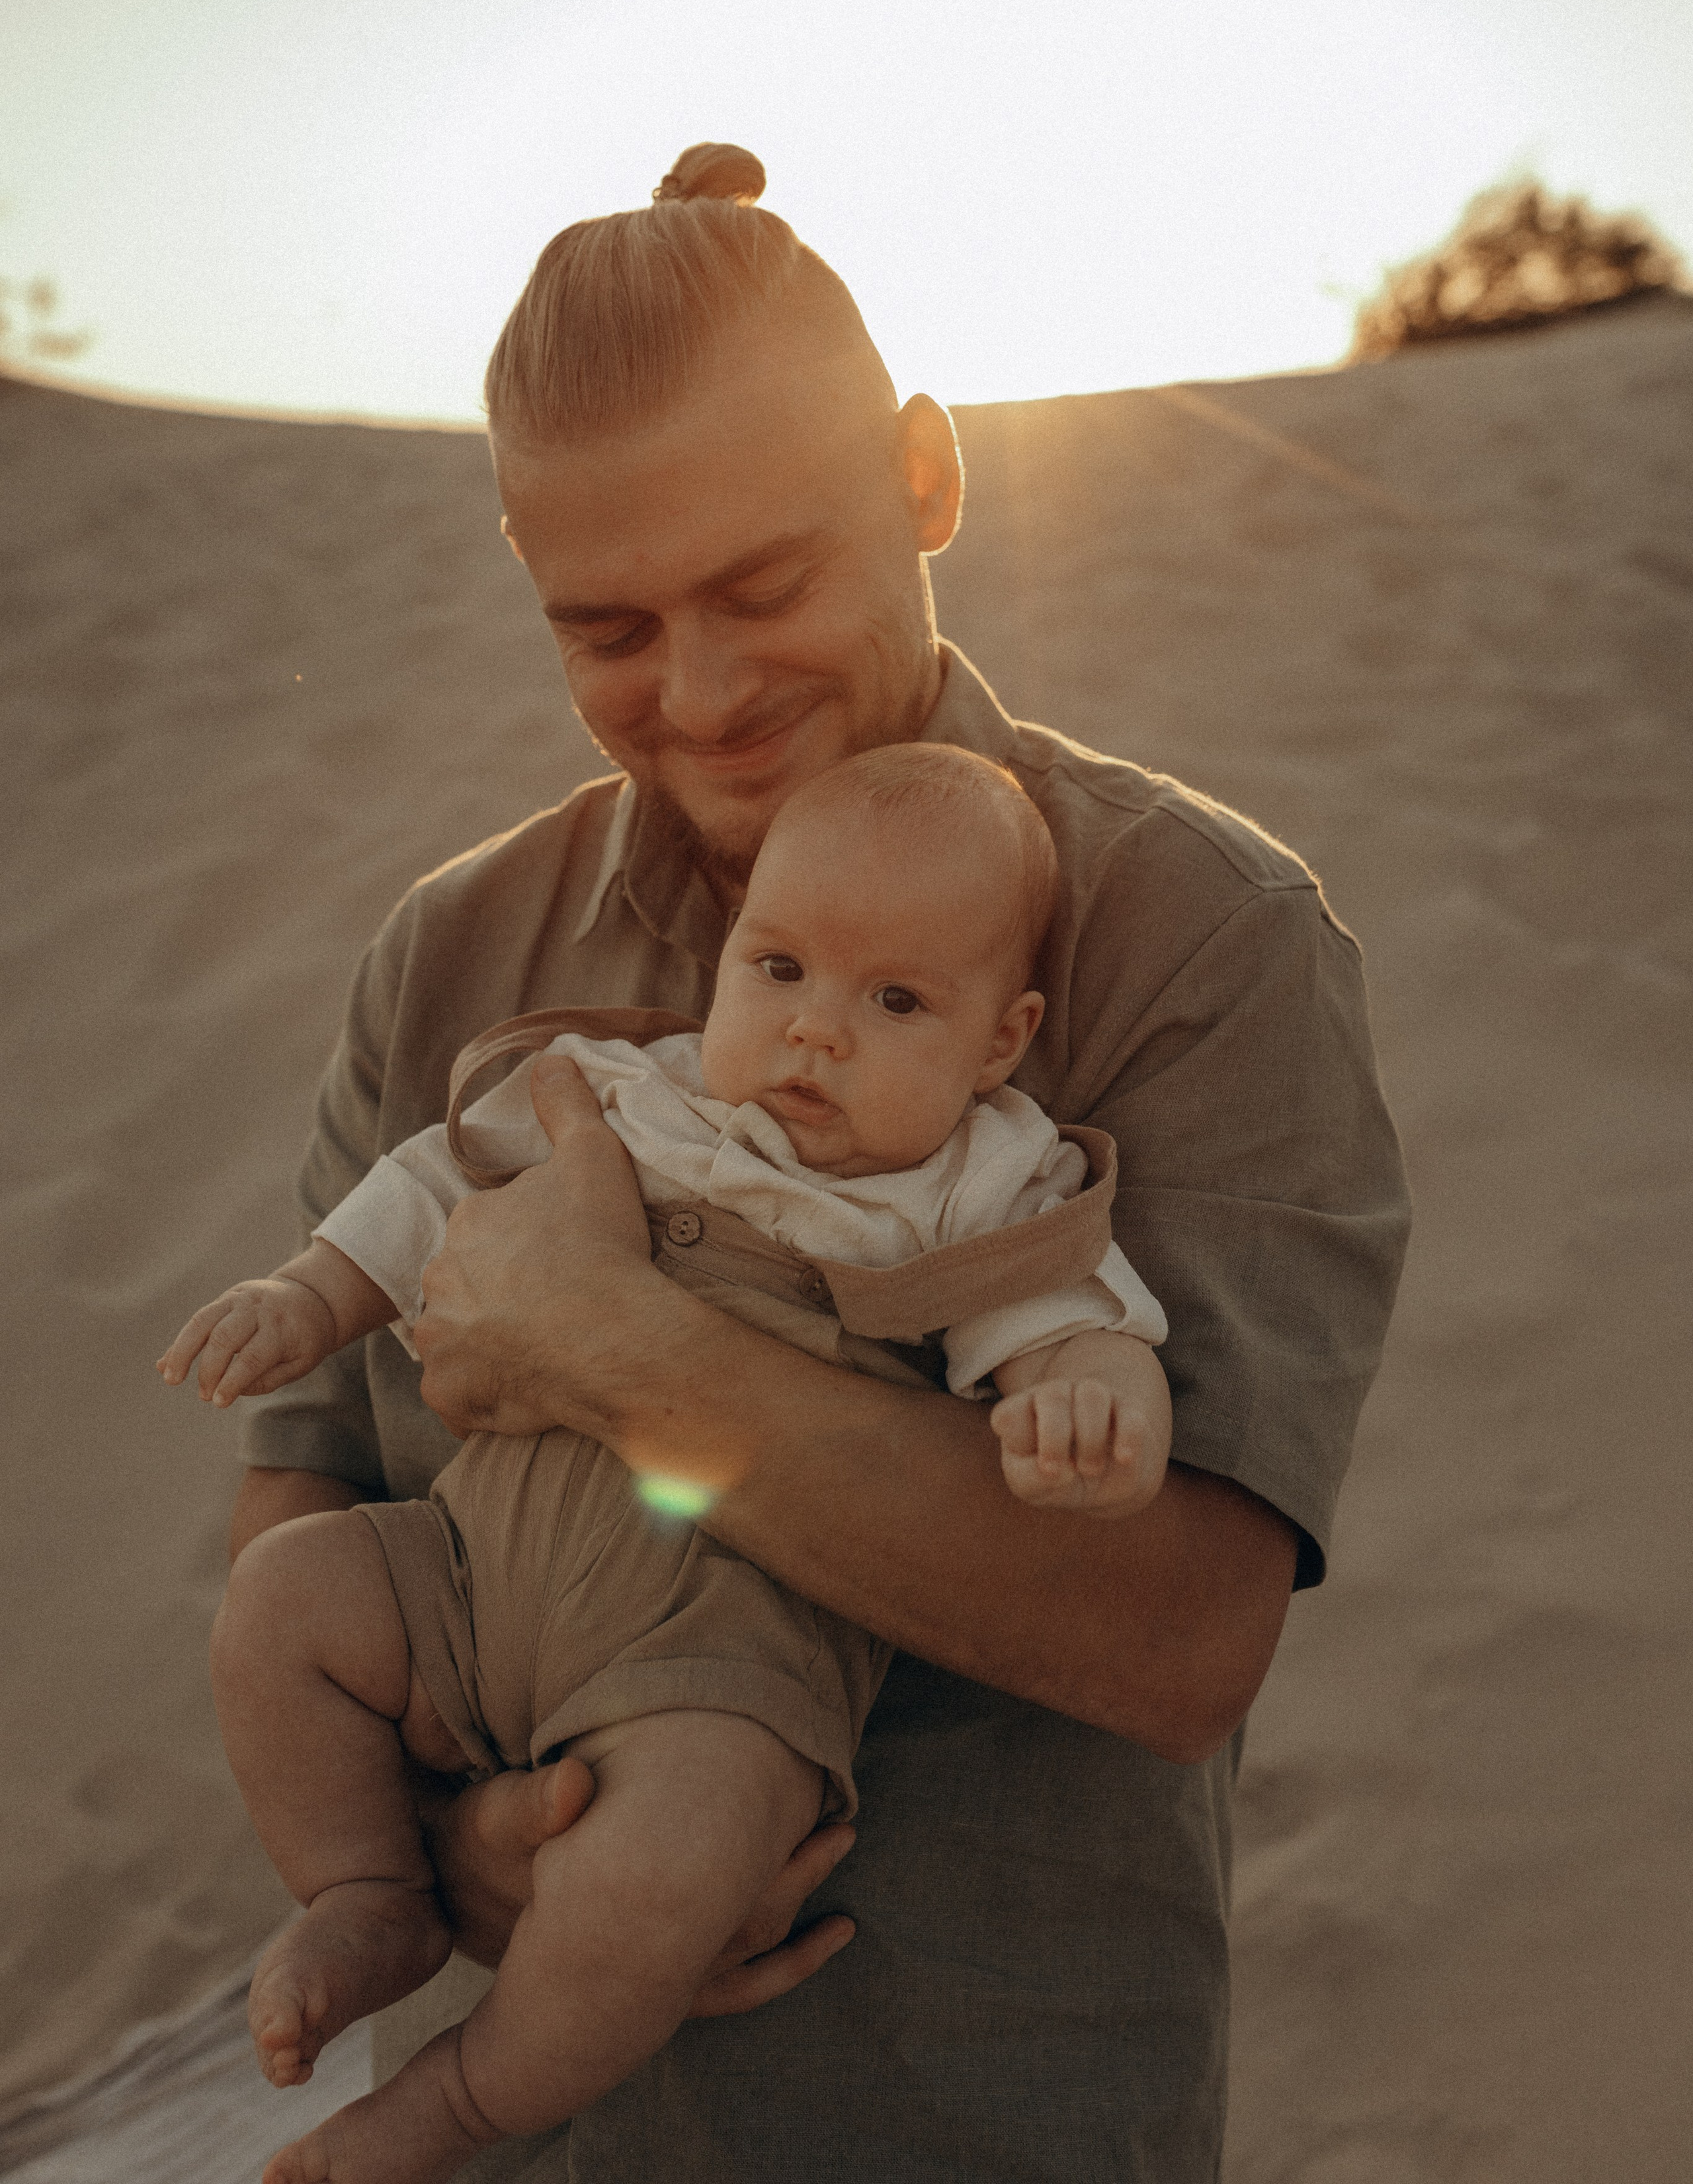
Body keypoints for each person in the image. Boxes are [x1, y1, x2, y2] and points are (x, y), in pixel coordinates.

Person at [233, 142, 1411, 2183]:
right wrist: (447, 1850)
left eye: (765, 589)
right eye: (609, 629)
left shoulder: (1196, 937)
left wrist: (617, 1346)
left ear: (927, 478)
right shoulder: (454, 957)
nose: (701, 697)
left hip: (974, 2118)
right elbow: (304, 1484)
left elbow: (1178, 1638)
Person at [163, 745, 1173, 2184]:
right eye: (780, 970)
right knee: (282, 1602)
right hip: (463, 1575)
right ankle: (366, 1887)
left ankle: (457, 2104)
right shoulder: (628, 1092)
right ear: (727, 958)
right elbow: (429, 1184)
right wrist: (307, 1298)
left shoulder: (975, 1185)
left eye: (895, 1002)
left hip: (709, 1663)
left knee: (667, 1871)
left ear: (1001, 1043)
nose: (816, 1031)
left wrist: (1095, 1411)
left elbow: (1072, 1324)